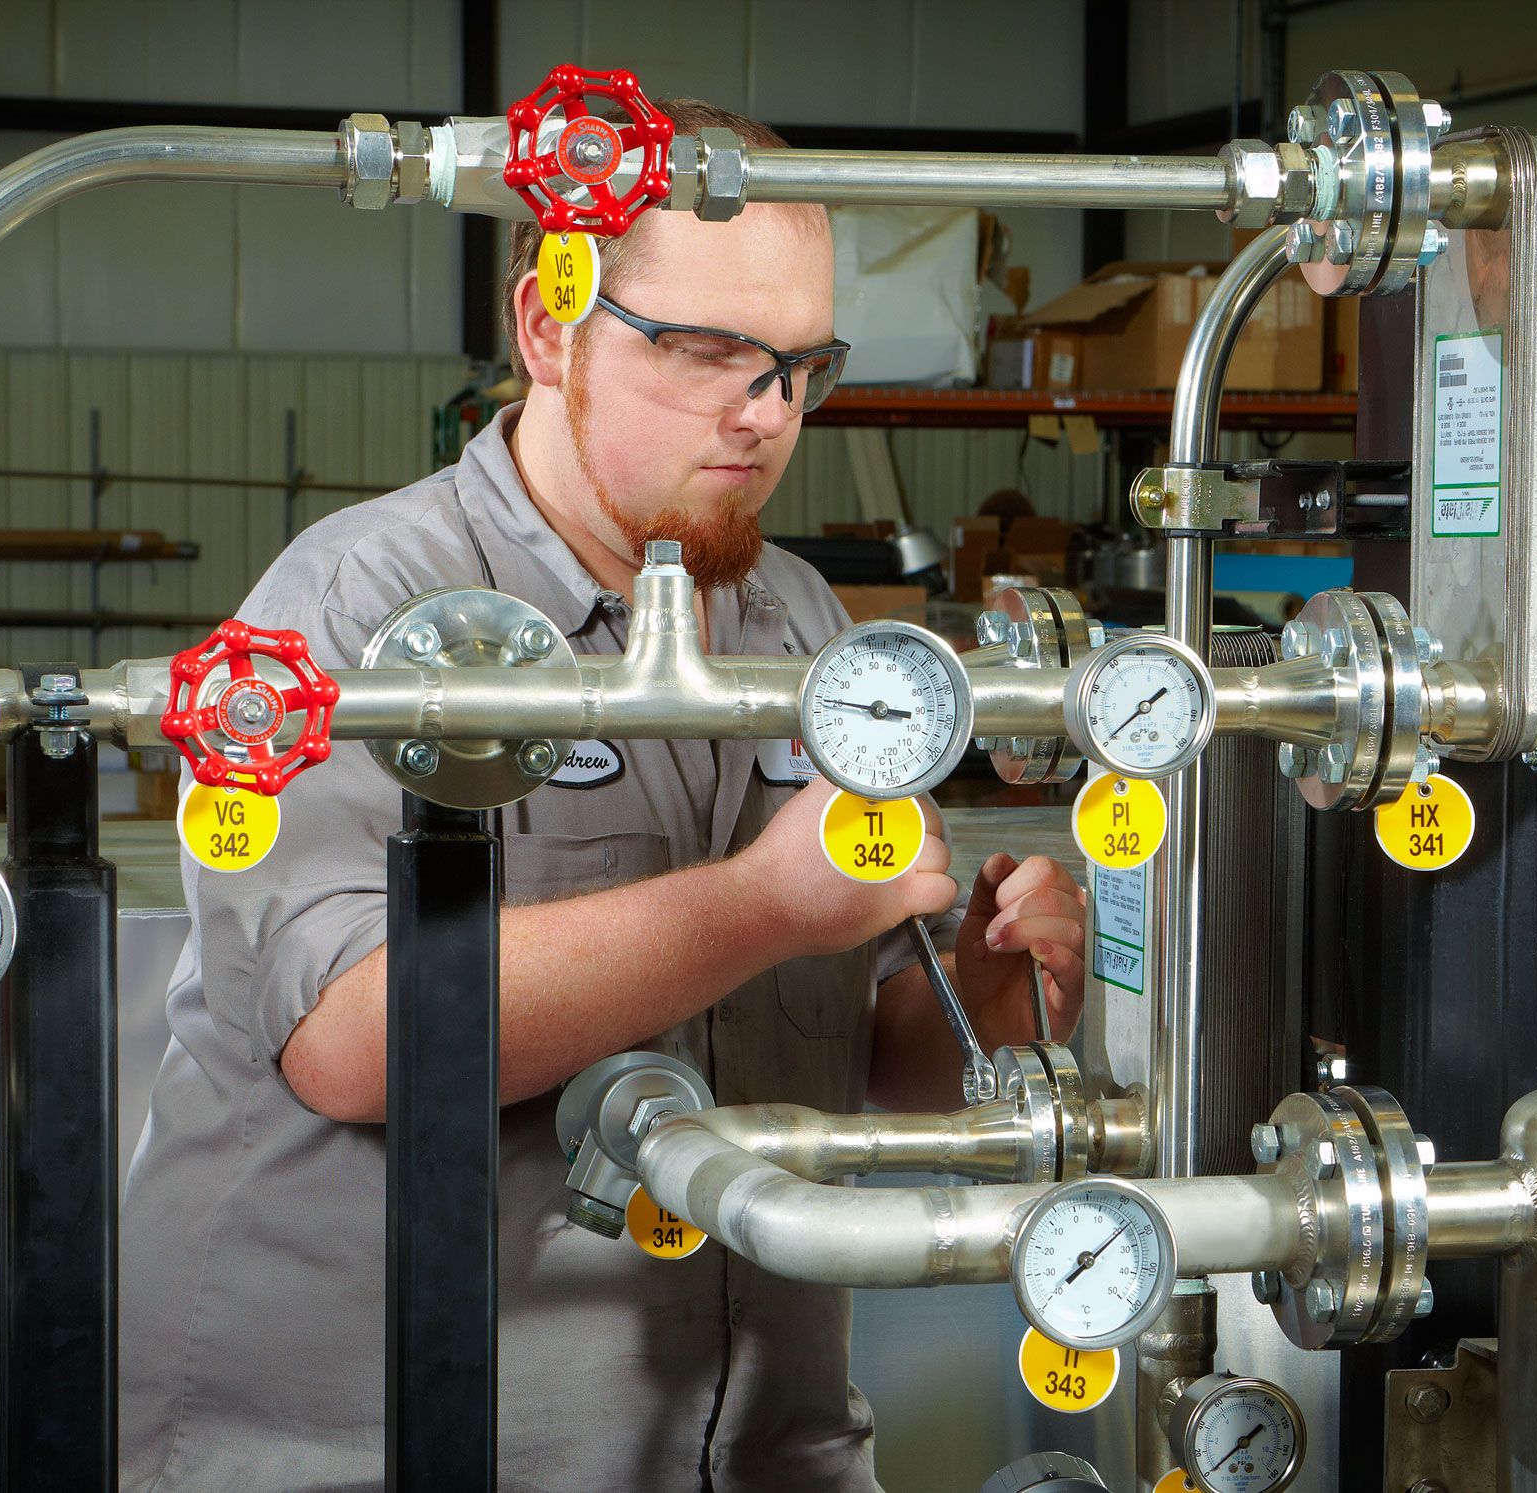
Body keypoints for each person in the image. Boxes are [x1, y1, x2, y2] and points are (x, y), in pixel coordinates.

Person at [121, 97, 1090, 1493]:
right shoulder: (360, 605)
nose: (767, 413)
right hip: (371, 1445)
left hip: (757, 1445)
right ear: (548, 327)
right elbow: (355, 1034)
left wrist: (988, 1007)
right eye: (708, 355)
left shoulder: (803, 619)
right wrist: (762, 904)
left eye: (801, 366)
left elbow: (876, 1057)